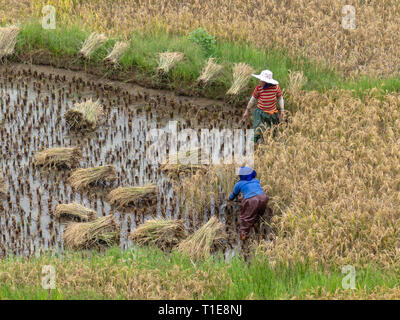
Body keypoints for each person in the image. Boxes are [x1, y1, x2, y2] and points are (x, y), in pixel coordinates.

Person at [242, 69, 285, 143]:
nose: (259, 81)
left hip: (272, 113)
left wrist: (282, 110)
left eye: (261, 80)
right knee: (257, 129)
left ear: (266, 82)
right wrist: (247, 110)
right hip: (260, 113)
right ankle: (254, 144)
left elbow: (280, 98)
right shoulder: (259, 88)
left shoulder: (276, 88)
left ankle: (270, 144)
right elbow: (252, 100)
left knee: (272, 131)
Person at [227, 166, 269, 241]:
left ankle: (243, 236)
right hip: (263, 197)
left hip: (252, 201)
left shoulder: (239, 184)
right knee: (258, 214)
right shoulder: (256, 180)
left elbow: (233, 194)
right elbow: (254, 190)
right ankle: (257, 225)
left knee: (246, 219)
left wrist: (229, 199)